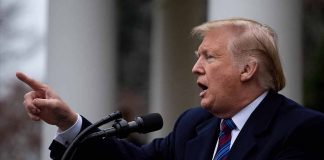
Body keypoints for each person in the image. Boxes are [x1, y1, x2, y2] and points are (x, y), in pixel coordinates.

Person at [17, 18, 324, 160]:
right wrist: (68, 122)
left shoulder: (303, 129)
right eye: (196, 57)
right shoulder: (195, 125)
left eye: (209, 57)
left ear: (247, 69)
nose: (196, 67)